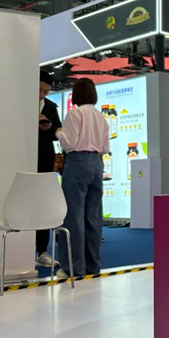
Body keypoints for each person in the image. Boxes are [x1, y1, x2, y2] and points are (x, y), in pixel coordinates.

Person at [55, 78, 109, 278]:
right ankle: (93, 266)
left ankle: (73, 267)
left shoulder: (74, 114)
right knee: (93, 216)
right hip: (96, 163)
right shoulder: (101, 117)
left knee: (73, 216)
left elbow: (69, 143)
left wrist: (59, 133)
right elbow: (105, 148)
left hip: (77, 162)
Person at [36, 70, 62, 267]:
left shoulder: (51, 107)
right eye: (40, 90)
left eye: (46, 92)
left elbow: (57, 132)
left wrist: (49, 128)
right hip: (19, 157)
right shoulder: (17, 103)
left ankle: (42, 251)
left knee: (43, 205)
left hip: (44, 159)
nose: (42, 94)